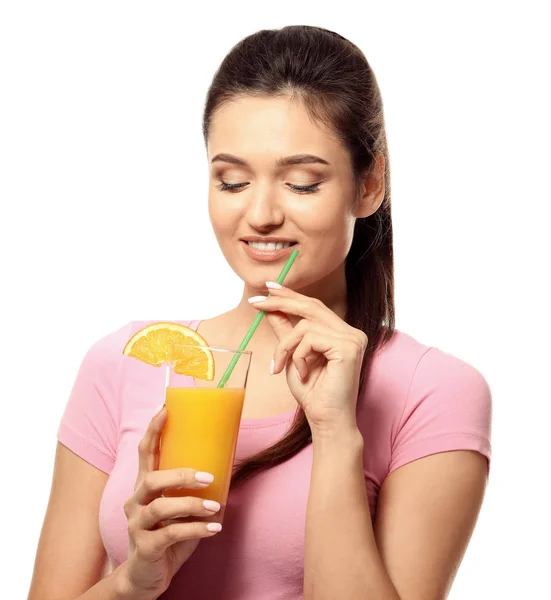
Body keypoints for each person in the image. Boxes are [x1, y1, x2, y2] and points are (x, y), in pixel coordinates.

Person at [27, 25, 492, 600]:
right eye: (233, 180)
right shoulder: (125, 362)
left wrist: (335, 432)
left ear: (368, 187)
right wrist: (133, 581)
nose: (261, 214)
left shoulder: (433, 390)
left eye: (301, 183)